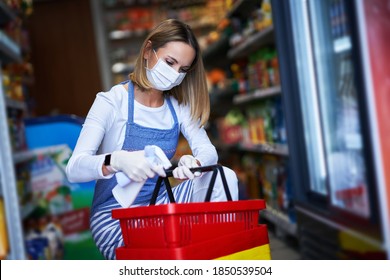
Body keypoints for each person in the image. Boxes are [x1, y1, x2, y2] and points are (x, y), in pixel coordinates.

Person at [65, 19, 239, 260]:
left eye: (183, 69)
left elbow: (207, 151)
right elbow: (73, 169)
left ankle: (220, 258)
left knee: (223, 176)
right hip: (116, 216)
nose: (175, 74)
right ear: (148, 51)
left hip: (160, 206)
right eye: (170, 62)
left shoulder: (178, 107)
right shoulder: (111, 101)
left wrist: (195, 163)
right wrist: (117, 160)